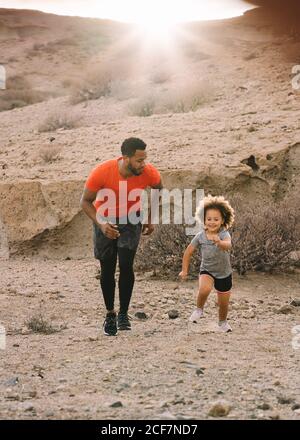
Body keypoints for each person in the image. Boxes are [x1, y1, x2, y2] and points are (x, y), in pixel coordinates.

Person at [80, 138, 162, 336]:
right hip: (105, 218)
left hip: (131, 220)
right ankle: (110, 314)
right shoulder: (102, 171)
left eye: (145, 159)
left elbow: (158, 189)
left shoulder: (148, 171)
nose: (144, 164)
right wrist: (101, 224)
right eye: (139, 160)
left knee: (126, 265)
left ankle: (124, 314)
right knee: (107, 268)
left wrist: (150, 219)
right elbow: (85, 202)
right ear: (126, 158)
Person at [179, 195, 235, 332]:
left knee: (223, 303)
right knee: (204, 289)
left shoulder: (224, 234)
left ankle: (222, 323)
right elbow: (188, 253)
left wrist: (219, 242)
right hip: (207, 270)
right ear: (203, 220)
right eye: (209, 219)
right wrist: (184, 270)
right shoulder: (200, 236)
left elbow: (228, 245)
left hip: (224, 273)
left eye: (216, 219)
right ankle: (199, 309)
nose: (212, 222)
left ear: (223, 220)